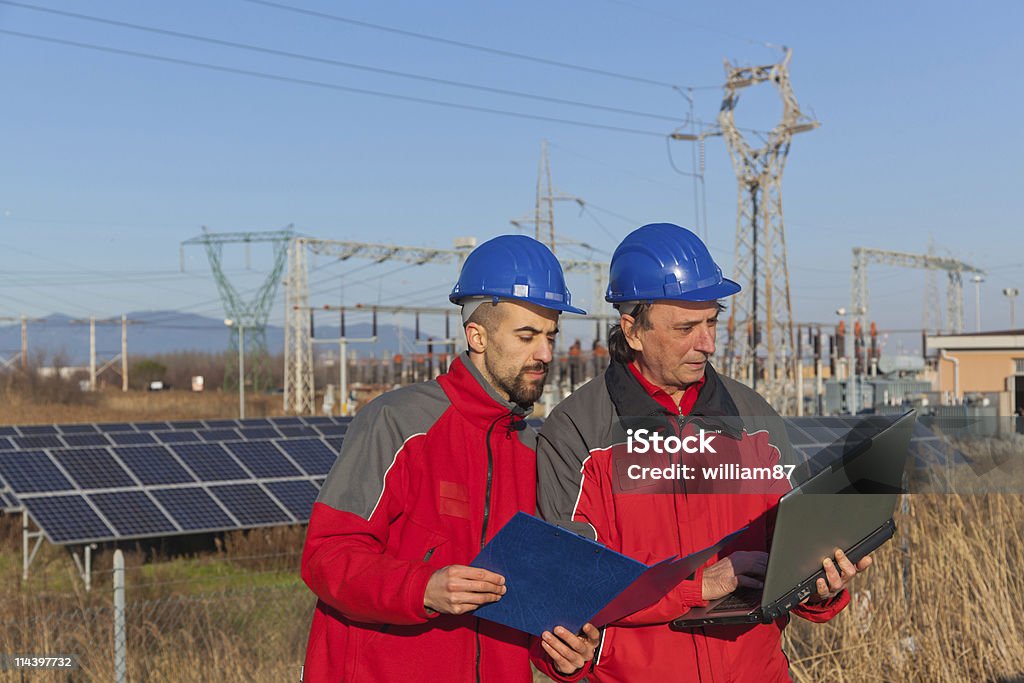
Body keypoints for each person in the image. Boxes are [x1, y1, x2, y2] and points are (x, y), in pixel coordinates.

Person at [536, 223, 871, 682]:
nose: (708, 343)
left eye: (712, 321)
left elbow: (792, 553)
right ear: (632, 329)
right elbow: (569, 587)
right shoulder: (577, 431)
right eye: (686, 328)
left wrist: (821, 586)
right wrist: (697, 588)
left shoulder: (754, 418)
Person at [301, 234, 600, 682]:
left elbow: (532, 601)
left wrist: (563, 654)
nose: (544, 354)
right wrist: (423, 588)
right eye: (527, 335)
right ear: (476, 335)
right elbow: (327, 556)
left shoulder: (533, 452)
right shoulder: (399, 424)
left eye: (550, 336)